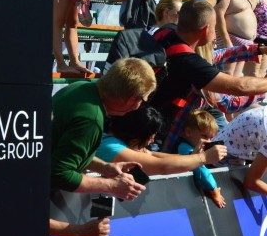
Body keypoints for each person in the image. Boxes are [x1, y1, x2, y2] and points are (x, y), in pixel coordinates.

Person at [149, 0, 267, 150]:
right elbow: (236, 92)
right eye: (215, 26)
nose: (215, 35)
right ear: (206, 30)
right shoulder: (191, 64)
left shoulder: (168, 32)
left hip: (151, 119)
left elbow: (216, 54)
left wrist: (258, 50)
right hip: (161, 138)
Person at [51, 57, 155, 199]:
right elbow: (59, 173)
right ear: (132, 99)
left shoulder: (79, 87)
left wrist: (105, 167)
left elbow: (62, 150)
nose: (139, 107)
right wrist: (112, 186)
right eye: (142, 101)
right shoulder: (91, 119)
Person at [95, 104, 227, 175]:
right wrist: (204, 158)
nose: (151, 142)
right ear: (136, 132)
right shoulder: (110, 146)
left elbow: (153, 155)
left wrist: (193, 157)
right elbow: (161, 167)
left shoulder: (122, 140)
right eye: (150, 137)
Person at [214, 0, 259, 76]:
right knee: (228, 76)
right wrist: (226, 41)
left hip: (243, 42)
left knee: (237, 77)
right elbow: (218, 14)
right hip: (230, 42)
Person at [177, 110, 226, 208]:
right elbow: (201, 170)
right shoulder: (185, 148)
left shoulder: (195, 147)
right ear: (188, 132)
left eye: (211, 138)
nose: (208, 141)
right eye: (204, 136)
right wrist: (214, 190)